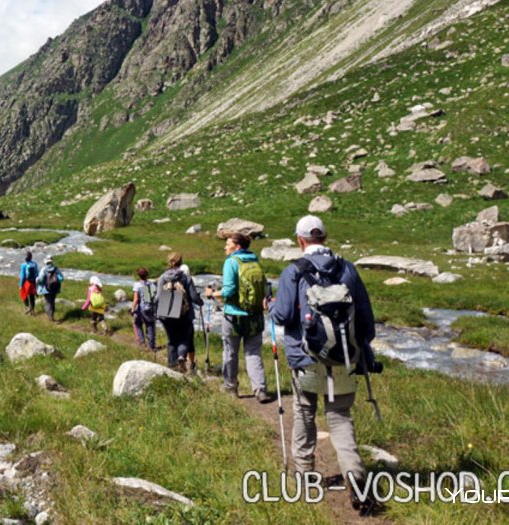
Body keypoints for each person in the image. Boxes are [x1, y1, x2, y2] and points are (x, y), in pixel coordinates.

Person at [270, 215, 379, 515]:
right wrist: (361, 350)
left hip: (304, 357)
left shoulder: (293, 271)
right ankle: (356, 478)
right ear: (325, 237)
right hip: (344, 357)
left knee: (304, 412)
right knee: (340, 417)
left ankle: (304, 476)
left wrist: (273, 307)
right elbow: (367, 322)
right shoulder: (348, 269)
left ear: (300, 240)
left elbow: (281, 316)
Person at [208, 232, 273, 402]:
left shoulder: (231, 262)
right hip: (255, 315)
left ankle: (230, 387)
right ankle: (260, 389)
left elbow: (228, 290)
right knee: (253, 352)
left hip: (233, 316)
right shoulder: (254, 260)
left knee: (230, 352)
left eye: (227, 243)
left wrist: (213, 293)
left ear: (236, 246)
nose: (225, 246)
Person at [156, 253, 200, 372]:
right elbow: (194, 297)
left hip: (166, 313)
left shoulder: (163, 277)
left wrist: (155, 311)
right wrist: (200, 302)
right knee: (184, 338)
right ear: (181, 262)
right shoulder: (186, 278)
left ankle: (172, 367)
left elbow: (158, 297)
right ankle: (181, 356)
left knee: (171, 341)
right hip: (184, 314)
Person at [131, 267, 157, 351]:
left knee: (138, 324)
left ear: (138, 276)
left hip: (141, 308)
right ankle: (151, 346)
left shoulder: (137, 285)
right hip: (150, 307)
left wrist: (132, 309)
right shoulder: (151, 284)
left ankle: (142, 342)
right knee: (150, 326)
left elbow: (136, 299)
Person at [38, 257, 63, 321]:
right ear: (51, 262)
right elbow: (61, 278)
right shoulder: (56, 269)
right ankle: (52, 315)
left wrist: (37, 281)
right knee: (52, 301)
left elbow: (40, 279)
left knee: (48, 302)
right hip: (55, 289)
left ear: (46, 262)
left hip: (46, 289)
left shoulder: (44, 269)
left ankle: (49, 316)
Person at [19, 250, 39, 315]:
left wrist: (21, 285)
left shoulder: (23, 265)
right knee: (32, 296)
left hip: (26, 282)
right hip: (33, 282)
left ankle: (27, 307)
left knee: (23, 294)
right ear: (31, 257)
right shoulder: (35, 264)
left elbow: (22, 276)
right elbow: (37, 273)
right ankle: (32, 310)